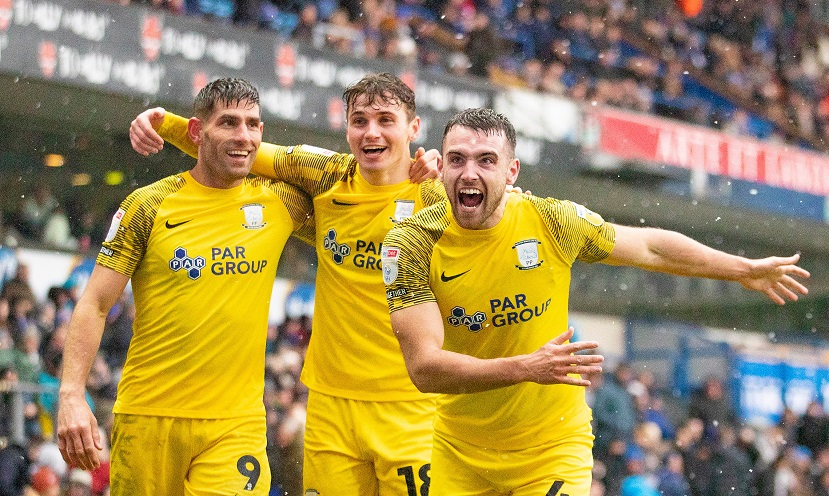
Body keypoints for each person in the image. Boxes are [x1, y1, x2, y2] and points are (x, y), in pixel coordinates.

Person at [381, 107, 810, 494]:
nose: (469, 173)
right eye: (457, 159)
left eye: (486, 161)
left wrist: (742, 269)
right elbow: (424, 369)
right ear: (442, 166)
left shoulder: (552, 220)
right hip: (459, 453)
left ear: (511, 171)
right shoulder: (411, 243)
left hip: (551, 448)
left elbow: (650, 247)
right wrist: (527, 367)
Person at [129, 72, 445, 494]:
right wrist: (161, 123)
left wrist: (450, 170)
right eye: (360, 121)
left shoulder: (439, 196)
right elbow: (236, 151)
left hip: (413, 405)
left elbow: (495, 203)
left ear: (413, 128)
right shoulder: (327, 174)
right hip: (331, 409)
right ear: (347, 129)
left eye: (386, 120)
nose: (372, 132)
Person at [56, 78, 317, 496]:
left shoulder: (280, 202)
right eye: (228, 123)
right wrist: (71, 395)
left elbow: (349, 184)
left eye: (253, 125)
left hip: (236, 425)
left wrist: (417, 175)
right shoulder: (148, 205)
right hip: (148, 418)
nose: (244, 136)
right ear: (197, 132)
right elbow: (95, 304)